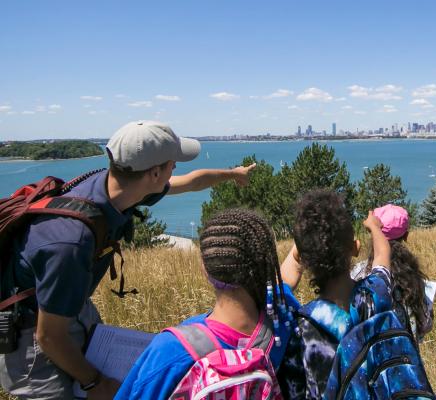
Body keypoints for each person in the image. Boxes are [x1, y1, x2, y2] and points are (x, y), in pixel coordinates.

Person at [0, 121, 256, 400]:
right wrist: (94, 383)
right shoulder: (70, 242)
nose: (175, 169)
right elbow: (49, 337)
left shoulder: (117, 186)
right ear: (155, 172)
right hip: (34, 339)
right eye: (172, 164)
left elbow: (192, 181)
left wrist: (233, 174)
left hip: (66, 309)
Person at [115, 208, 302, 399]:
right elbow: (283, 283)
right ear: (265, 263)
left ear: (205, 269)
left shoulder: (172, 350)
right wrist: (298, 252)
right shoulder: (282, 323)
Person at [279, 189, 392, 399]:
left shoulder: (298, 329)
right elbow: (383, 255)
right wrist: (374, 227)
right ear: (355, 248)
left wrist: (305, 247)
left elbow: (279, 287)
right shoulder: (377, 294)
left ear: (303, 259)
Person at [353, 204, 433, 341]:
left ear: (373, 236)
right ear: (406, 236)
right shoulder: (413, 278)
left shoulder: (358, 272)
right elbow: (425, 325)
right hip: (406, 357)